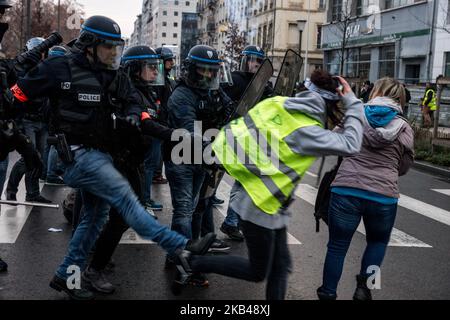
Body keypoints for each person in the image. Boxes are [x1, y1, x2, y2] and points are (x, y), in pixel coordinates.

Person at [10, 15, 215, 300]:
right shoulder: (58, 68)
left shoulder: (111, 74)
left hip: (101, 155)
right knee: (128, 203)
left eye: (117, 48)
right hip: (78, 158)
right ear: (90, 45)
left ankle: (67, 277)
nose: (114, 53)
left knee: (94, 218)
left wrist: (140, 118)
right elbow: (16, 96)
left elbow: (135, 104)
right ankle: (181, 246)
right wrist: (13, 127)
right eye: (109, 47)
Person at [173, 70, 365, 300]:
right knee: (259, 271)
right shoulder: (307, 131)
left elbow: (241, 131)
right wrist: (353, 103)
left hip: (261, 200)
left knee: (280, 267)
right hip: (261, 208)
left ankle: (194, 261)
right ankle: (193, 262)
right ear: (330, 104)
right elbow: (352, 144)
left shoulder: (277, 104)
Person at [81, 45, 176, 293]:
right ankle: (92, 268)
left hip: (131, 162)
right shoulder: (130, 93)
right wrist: (180, 136)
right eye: (150, 67)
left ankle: (95, 258)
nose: (155, 72)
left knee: (112, 218)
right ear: (134, 70)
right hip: (118, 162)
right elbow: (149, 125)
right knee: (115, 218)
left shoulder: (145, 91)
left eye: (157, 67)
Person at [317, 77, 414, 300]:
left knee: (337, 246)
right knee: (377, 243)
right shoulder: (404, 127)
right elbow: (405, 166)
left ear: (375, 92)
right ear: (400, 99)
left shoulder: (355, 115)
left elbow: (335, 142)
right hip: (383, 197)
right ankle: (365, 290)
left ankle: (328, 293)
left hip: (346, 190)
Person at [164, 44, 235, 285]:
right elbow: (188, 130)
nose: (208, 75)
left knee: (194, 208)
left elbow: (230, 110)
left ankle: (176, 253)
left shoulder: (213, 92)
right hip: (182, 159)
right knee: (184, 211)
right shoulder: (181, 96)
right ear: (192, 71)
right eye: (203, 70)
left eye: (212, 71)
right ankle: (187, 263)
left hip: (203, 160)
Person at [219, 45, 274, 242]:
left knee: (245, 181)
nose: (254, 64)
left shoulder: (265, 85)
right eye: (251, 60)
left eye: (258, 62)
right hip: (230, 136)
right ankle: (226, 222)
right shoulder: (234, 79)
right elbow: (221, 100)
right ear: (244, 60)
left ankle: (233, 221)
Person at [5, 37, 52, 204]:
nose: (41, 55)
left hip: (42, 120)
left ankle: (32, 193)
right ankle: (11, 190)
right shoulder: (21, 69)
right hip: (27, 120)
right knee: (29, 157)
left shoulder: (46, 68)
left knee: (38, 159)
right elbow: (16, 91)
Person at [152, 46, 176, 185]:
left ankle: (157, 174)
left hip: (165, 120)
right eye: (169, 60)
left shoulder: (166, 78)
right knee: (156, 151)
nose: (172, 63)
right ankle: (156, 174)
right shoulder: (157, 79)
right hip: (159, 120)